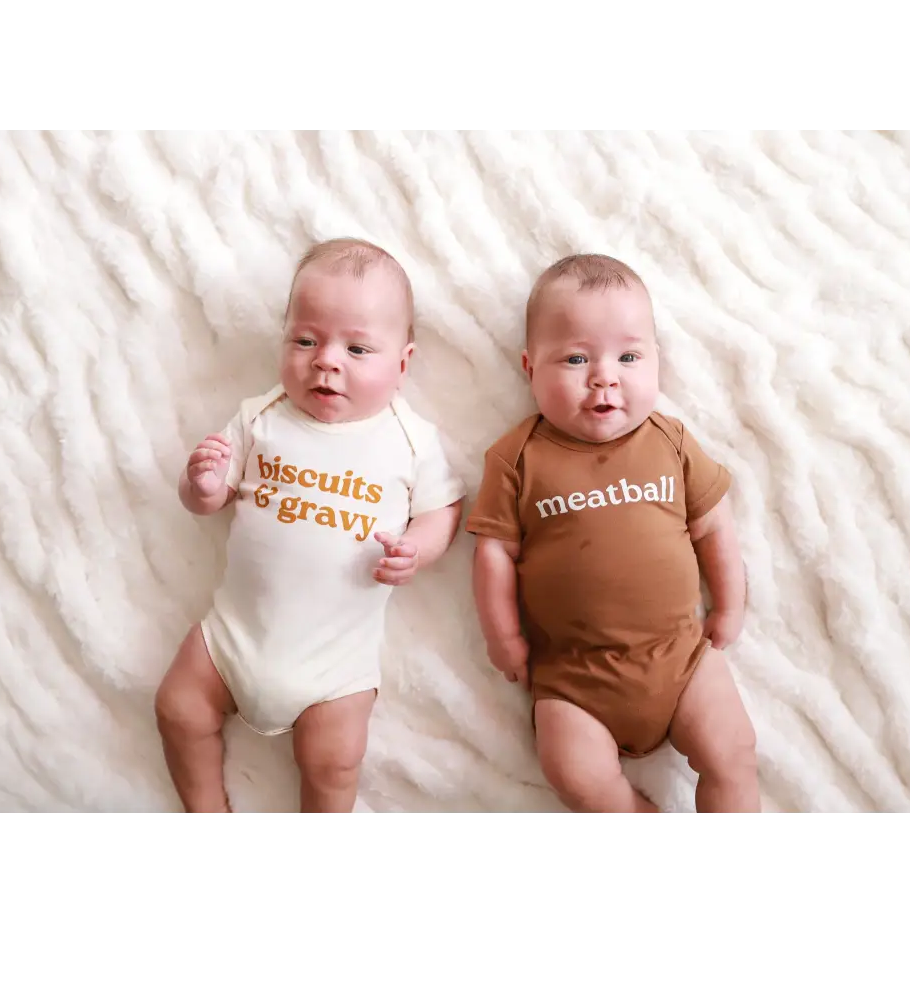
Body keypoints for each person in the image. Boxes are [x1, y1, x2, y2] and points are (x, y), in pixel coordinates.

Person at [156, 238, 466, 814]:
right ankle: (206, 806)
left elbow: (443, 510)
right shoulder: (261, 415)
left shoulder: (410, 440)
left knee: (334, 761)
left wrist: (415, 551)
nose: (326, 360)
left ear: (402, 363)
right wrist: (201, 486)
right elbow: (211, 500)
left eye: (358, 348)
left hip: (335, 666)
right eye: (305, 340)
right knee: (178, 707)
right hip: (230, 639)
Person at [466, 253, 759, 814]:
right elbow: (494, 553)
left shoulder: (669, 441)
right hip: (572, 680)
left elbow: (713, 525)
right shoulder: (518, 456)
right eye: (575, 358)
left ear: (656, 362)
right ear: (530, 368)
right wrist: (502, 637)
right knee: (576, 778)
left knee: (734, 753)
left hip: (681, 658)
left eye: (628, 356)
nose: (605, 376)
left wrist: (729, 604)